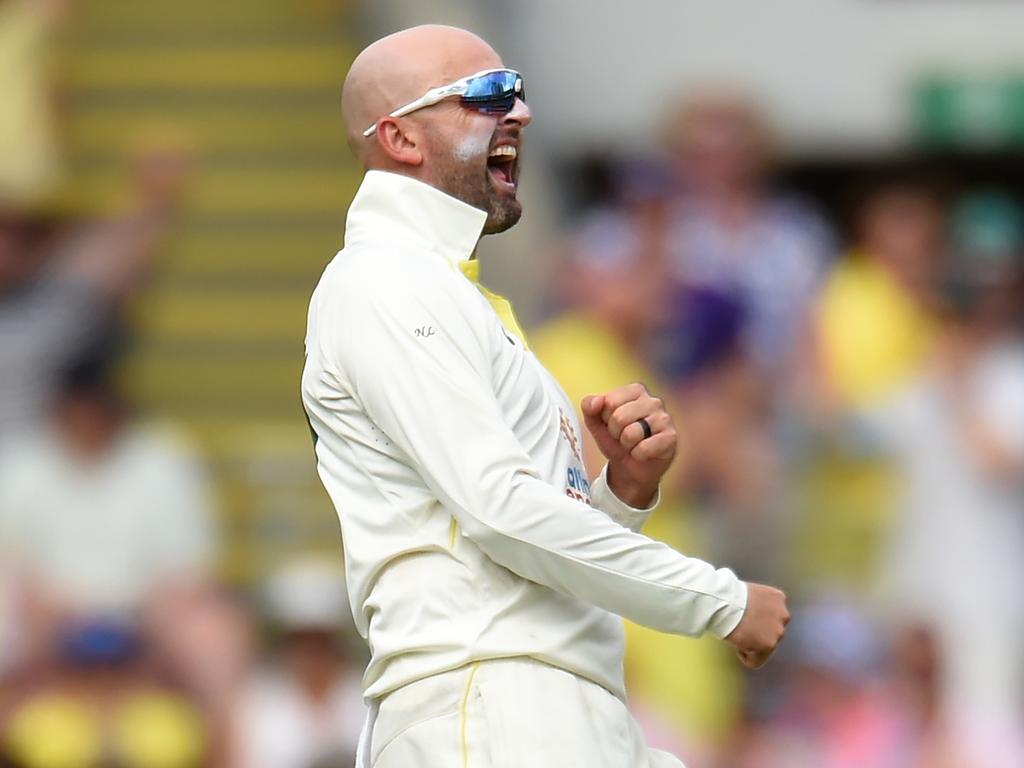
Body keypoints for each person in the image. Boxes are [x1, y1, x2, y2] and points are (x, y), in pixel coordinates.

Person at [301, 25, 789, 768]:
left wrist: (620, 494)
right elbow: (501, 513)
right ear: (400, 138)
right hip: (496, 703)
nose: (520, 112)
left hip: (547, 699)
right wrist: (720, 602)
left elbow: (515, 542)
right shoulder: (384, 279)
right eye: (489, 94)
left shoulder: (452, 291)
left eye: (520, 91)